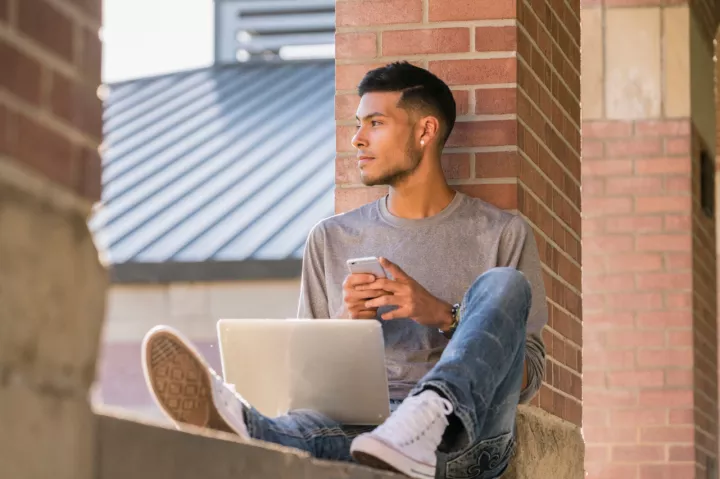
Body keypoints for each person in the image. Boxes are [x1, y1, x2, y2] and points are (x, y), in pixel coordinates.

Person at [141, 61, 547, 479]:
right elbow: (306, 385)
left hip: (467, 440)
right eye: (358, 124)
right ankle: (244, 424)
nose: (357, 139)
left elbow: (526, 379)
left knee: (503, 284)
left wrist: (445, 315)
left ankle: (429, 412)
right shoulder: (332, 239)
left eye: (375, 123)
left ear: (425, 131)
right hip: (364, 434)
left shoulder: (500, 234)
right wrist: (347, 324)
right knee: (304, 427)